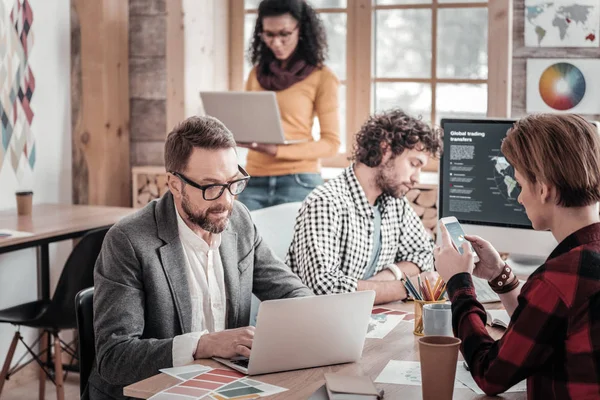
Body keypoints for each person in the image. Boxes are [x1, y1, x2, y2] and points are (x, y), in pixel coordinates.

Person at [88, 116, 313, 400]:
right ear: (174, 184)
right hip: (150, 393)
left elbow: (290, 290)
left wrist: (313, 319)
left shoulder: (239, 220)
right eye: (211, 187)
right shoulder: (129, 240)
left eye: (233, 183)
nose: (226, 201)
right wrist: (204, 345)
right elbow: (115, 358)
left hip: (221, 386)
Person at [434, 113, 600, 399]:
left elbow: (490, 374)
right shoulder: (582, 261)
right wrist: (501, 277)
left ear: (544, 189)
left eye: (520, 185)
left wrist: (459, 283)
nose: (519, 198)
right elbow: (543, 330)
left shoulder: (560, 277)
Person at [286, 109, 442, 304]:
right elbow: (324, 289)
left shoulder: (395, 202)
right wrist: (408, 287)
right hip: (314, 325)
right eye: (413, 164)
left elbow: (424, 254)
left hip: (363, 318)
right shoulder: (326, 202)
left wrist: (385, 277)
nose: (416, 178)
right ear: (385, 150)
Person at [236, 0, 341, 211]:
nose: (276, 43)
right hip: (253, 179)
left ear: (300, 30)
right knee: (241, 243)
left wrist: (276, 150)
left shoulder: (322, 77)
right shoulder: (256, 75)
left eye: (284, 34)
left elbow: (331, 144)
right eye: (269, 34)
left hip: (300, 180)